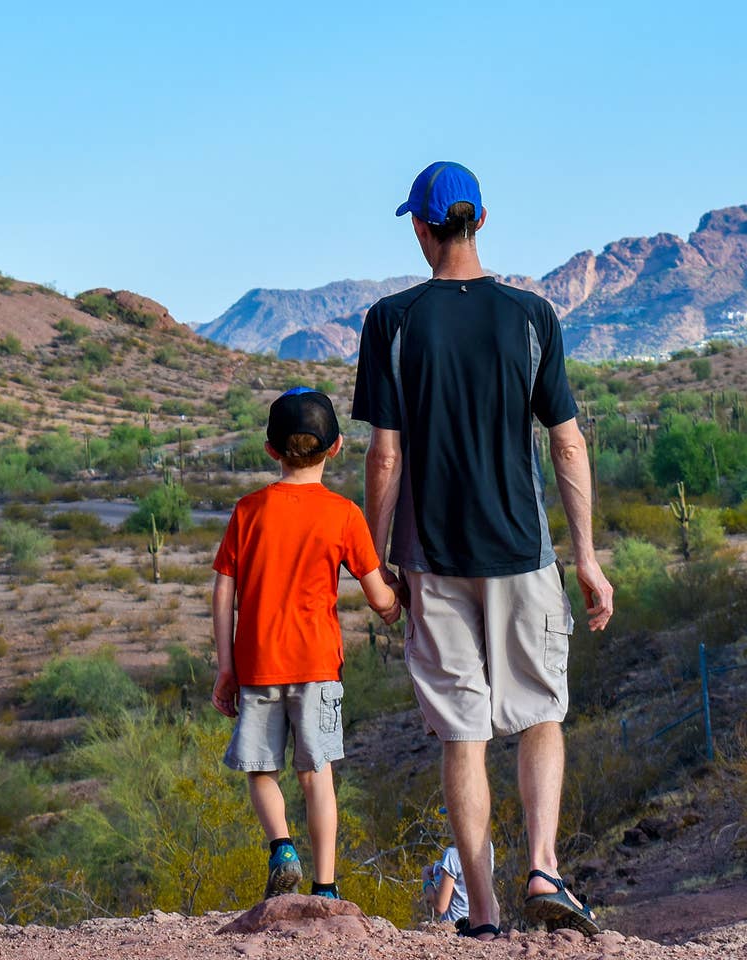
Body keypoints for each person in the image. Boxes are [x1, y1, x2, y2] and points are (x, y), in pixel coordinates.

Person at [352, 161, 614, 940]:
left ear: (420, 228)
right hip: (523, 554)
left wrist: (375, 562)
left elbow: (385, 457)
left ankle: (486, 912)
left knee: (462, 731)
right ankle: (542, 865)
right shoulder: (531, 316)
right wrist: (589, 557)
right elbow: (566, 447)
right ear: (483, 220)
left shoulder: (391, 322)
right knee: (539, 714)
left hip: (432, 561)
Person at [211, 387, 401, 901]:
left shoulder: (248, 511)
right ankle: (327, 887)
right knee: (318, 776)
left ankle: (282, 850)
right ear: (336, 447)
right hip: (318, 666)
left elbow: (224, 588)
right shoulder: (343, 515)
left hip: (257, 664)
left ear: (270, 450)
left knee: (261, 769)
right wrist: (395, 608)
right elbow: (378, 592)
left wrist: (225, 667)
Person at [422, 841, 495, 926]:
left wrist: (426, 880)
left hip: (456, 926)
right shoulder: (488, 846)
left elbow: (440, 906)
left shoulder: (452, 854)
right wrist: (442, 868)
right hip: (480, 925)